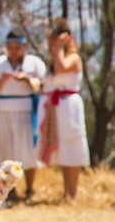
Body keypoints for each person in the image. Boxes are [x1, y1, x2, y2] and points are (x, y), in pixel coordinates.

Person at [0, 30, 46, 201]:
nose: (13, 51)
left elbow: (44, 86)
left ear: (24, 47)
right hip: (4, 109)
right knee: (6, 149)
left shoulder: (34, 63)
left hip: (26, 109)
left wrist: (27, 80)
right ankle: (9, 191)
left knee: (27, 148)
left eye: (17, 47)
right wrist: (3, 80)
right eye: (10, 47)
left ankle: (30, 190)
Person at [37, 17, 90, 201]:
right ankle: (66, 192)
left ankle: (73, 193)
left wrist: (60, 48)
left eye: (54, 42)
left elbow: (62, 69)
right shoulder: (53, 60)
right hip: (55, 109)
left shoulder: (72, 57)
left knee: (72, 149)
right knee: (63, 151)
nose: (51, 47)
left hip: (69, 107)